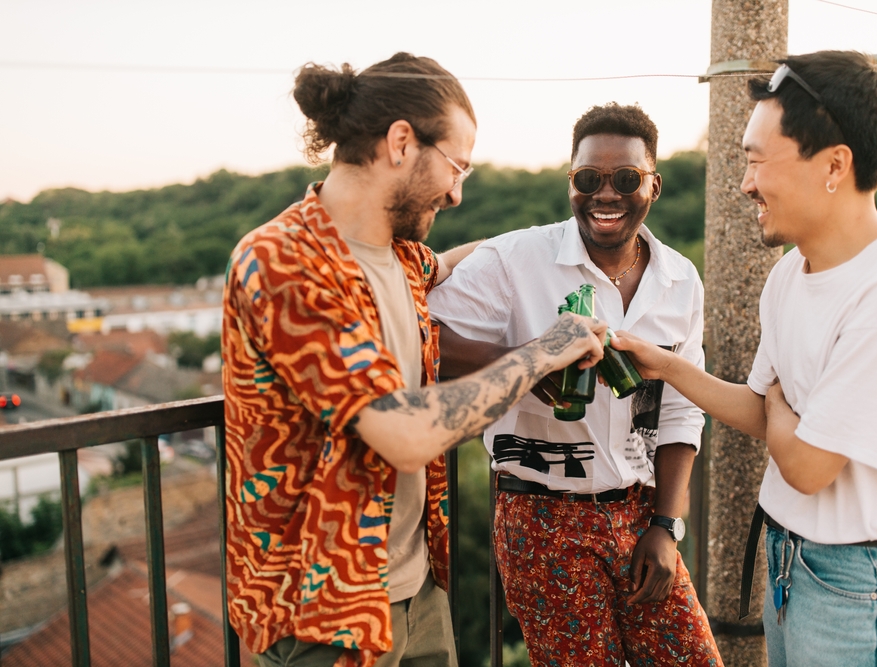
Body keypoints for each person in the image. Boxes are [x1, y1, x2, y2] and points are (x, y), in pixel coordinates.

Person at [221, 53, 608, 667]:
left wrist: (569, 239)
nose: (457, 192)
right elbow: (403, 433)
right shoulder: (282, 260)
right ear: (401, 141)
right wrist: (544, 351)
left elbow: (449, 261)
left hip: (416, 592)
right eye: (457, 167)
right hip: (324, 613)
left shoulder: (401, 255)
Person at [612, 51, 877, 666]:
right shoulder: (788, 275)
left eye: (756, 160)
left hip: (865, 589)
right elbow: (763, 411)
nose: (745, 182)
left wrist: (781, 409)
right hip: (793, 567)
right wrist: (665, 365)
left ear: (835, 165)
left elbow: (806, 466)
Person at [429, 103, 722, 666]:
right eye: (588, 178)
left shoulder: (680, 278)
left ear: (654, 186)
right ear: (571, 183)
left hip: (640, 515)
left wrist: (666, 523)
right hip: (541, 516)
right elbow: (423, 334)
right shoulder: (516, 260)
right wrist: (522, 362)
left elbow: (681, 410)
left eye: (626, 179)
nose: (605, 193)